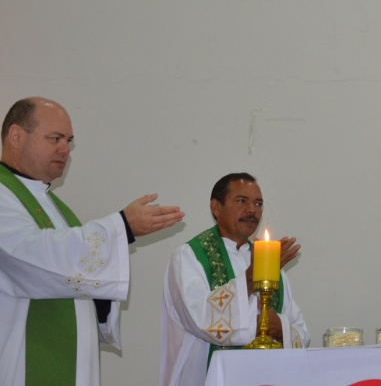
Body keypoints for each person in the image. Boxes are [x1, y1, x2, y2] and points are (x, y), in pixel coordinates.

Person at [0, 97, 185, 386]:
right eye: (55, 138)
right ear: (16, 136)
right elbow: (34, 257)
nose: (66, 150)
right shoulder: (4, 195)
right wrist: (123, 226)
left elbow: (68, 271)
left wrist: (98, 296)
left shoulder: (54, 206)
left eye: (69, 141)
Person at [161, 173, 308, 386]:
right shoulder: (189, 257)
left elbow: (301, 332)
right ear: (216, 207)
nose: (252, 210)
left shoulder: (268, 262)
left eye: (258, 204)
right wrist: (250, 279)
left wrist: (281, 329)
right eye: (241, 201)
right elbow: (199, 319)